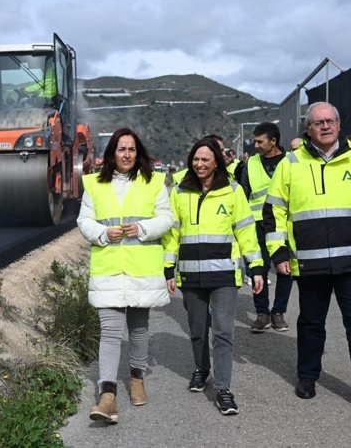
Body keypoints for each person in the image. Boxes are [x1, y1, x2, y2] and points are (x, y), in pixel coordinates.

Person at [264, 101, 351, 411]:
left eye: (330, 121)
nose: (325, 126)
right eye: (318, 122)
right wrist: (279, 252)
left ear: (339, 124)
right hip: (309, 262)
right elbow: (275, 211)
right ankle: (307, 377)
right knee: (311, 323)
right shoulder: (291, 163)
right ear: (308, 128)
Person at [77, 127, 175, 424]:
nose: (127, 154)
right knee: (110, 331)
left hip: (142, 269)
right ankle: (107, 396)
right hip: (108, 268)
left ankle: (136, 378)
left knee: (139, 328)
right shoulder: (95, 184)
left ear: (138, 153)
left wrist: (143, 229)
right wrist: (103, 233)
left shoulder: (153, 182)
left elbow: (167, 218)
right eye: (122, 149)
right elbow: (84, 221)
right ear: (112, 154)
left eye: (132, 149)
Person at [163, 137, 264, 415]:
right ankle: (201, 368)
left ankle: (223, 389)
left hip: (223, 276)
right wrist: (168, 267)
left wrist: (256, 266)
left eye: (205, 159)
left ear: (216, 162)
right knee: (197, 329)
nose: (200, 164)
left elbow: (245, 230)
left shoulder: (233, 190)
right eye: (196, 159)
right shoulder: (179, 192)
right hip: (191, 276)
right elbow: (172, 234)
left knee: (223, 332)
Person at [239, 122, 294, 332]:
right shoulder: (251, 163)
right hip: (258, 225)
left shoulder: (291, 161)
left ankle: (278, 312)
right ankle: (262, 313)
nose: (256, 145)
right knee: (258, 268)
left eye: (260, 141)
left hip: (283, 224)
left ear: (273, 141)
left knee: (285, 269)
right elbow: (243, 195)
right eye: (255, 141)